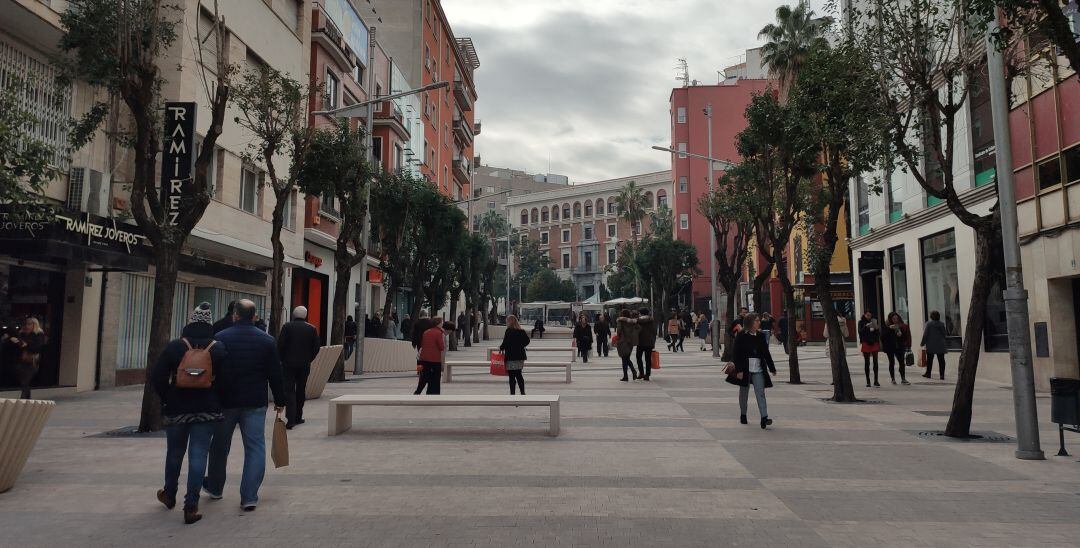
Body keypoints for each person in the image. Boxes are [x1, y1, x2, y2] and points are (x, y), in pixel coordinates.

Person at [204, 300, 286, 512]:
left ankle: (215, 487)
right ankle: (249, 496)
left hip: (227, 401)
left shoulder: (221, 338)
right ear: (255, 316)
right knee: (255, 447)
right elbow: (275, 374)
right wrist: (280, 400)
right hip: (255, 401)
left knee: (219, 446)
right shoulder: (267, 341)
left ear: (235, 315)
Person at [151, 302, 227, 524]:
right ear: (210, 324)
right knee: (198, 454)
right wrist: (217, 398)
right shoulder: (218, 348)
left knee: (174, 453)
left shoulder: (175, 347)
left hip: (177, 409)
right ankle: (191, 505)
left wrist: (168, 396)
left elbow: (157, 377)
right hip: (207, 410)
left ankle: (169, 493)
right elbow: (227, 381)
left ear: (190, 323)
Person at [727, 313, 777, 429]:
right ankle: (743, 414)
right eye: (757, 321)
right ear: (750, 322)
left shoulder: (760, 335)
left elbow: (766, 353)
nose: (759, 322)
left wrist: (772, 368)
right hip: (744, 368)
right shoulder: (741, 335)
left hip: (758, 368)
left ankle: (764, 418)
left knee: (760, 392)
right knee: (744, 392)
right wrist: (739, 370)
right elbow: (736, 353)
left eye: (759, 320)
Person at [277, 306, 321, 429]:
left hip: (288, 364)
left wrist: (282, 359)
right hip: (304, 365)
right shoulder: (312, 329)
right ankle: (298, 416)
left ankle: (290, 419)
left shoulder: (287, 327)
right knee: (301, 390)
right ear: (305, 316)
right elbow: (316, 347)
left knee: (289, 390)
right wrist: (309, 359)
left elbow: (280, 345)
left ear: (293, 315)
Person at [9, 317, 46, 400]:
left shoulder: (38, 334)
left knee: (26, 379)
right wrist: (16, 342)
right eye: (26, 324)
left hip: (32, 360)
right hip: (21, 360)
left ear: (34, 325)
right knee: (24, 381)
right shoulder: (22, 333)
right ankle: (27, 399)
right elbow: (17, 348)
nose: (27, 326)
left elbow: (38, 348)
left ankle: (24, 399)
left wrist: (26, 345)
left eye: (29, 324)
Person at [499, 315, 530, 395]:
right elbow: (527, 341)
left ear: (509, 321)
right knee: (519, 375)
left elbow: (505, 343)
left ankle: (512, 394)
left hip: (510, 357)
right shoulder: (521, 331)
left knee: (511, 376)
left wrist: (501, 348)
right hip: (520, 356)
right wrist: (521, 345)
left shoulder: (509, 331)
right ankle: (522, 392)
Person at [415, 317, 446, 395]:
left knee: (423, 378)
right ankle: (433, 394)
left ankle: (417, 392)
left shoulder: (426, 332)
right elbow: (441, 347)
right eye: (441, 322)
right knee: (435, 379)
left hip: (423, 359)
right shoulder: (439, 333)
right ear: (438, 323)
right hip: (434, 360)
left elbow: (423, 344)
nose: (442, 324)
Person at [882, 312, 912, 385]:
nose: (895, 320)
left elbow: (905, 337)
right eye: (893, 319)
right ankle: (893, 379)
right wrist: (889, 329)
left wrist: (901, 335)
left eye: (896, 318)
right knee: (891, 362)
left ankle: (903, 378)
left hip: (899, 346)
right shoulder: (886, 326)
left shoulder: (901, 326)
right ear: (890, 319)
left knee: (902, 362)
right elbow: (882, 337)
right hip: (890, 347)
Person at [921, 310, 948, 380]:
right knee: (941, 360)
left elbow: (925, 334)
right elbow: (944, 334)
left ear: (931, 316)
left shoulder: (929, 324)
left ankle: (928, 373)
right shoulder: (942, 324)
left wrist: (922, 342)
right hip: (940, 344)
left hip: (931, 344)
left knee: (929, 360)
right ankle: (942, 375)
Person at [858, 311, 882, 387]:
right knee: (867, 362)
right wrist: (866, 327)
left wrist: (876, 328)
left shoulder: (874, 321)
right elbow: (860, 332)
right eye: (867, 315)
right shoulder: (861, 322)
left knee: (875, 362)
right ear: (864, 315)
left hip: (874, 342)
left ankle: (876, 380)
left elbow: (878, 332)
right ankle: (868, 381)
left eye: (870, 315)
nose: (869, 316)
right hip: (866, 342)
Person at [615, 309, 640, 381]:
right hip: (631, 342)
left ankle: (626, 376)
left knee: (624, 359)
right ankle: (633, 372)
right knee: (627, 358)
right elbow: (639, 328)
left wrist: (619, 336)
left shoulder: (620, 321)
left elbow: (619, 330)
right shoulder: (632, 321)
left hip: (623, 341)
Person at [635, 308, 656, 381]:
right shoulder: (651, 320)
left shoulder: (638, 321)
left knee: (638, 357)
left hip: (640, 342)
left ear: (641, 313)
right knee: (648, 359)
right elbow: (654, 332)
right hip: (649, 342)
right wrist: (653, 342)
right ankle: (647, 375)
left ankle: (641, 373)